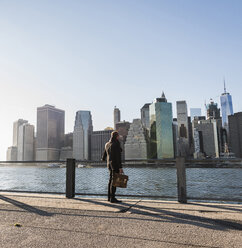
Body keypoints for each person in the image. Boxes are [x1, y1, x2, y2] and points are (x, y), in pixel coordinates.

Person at [102, 131, 123, 203]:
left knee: (110, 180)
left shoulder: (107, 144)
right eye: (118, 136)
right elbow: (118, 156)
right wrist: (120, 167)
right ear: (116, 136)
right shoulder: (116, 144)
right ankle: (113, 198)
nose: (119, 137)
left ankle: (109, 197)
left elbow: (104, 154)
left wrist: (103, 159)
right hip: (115, 165)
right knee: (114, 182)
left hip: (109, 165)